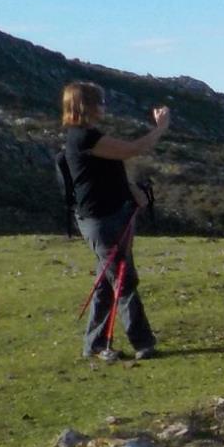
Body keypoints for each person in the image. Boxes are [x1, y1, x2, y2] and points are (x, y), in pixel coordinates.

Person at [60, 81, 172, 361]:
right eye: (100, 102)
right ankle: (143, 343)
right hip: (102, 219)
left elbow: (111, 169)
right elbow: (134, 149)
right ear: (86, 105)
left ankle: (95, 344)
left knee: (108, 280)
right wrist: (160, 128)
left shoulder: (86, 136)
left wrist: (132, 191)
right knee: (124, 279)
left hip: (109, 215)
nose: (104, 107)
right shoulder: (84, 138)